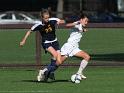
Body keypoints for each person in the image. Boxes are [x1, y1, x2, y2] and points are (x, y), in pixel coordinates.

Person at [38, 13, 90, 82]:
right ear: (81, 20)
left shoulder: (81, 26)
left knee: (87, 57)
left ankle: (79, 73)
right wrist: (77, 23)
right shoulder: (77, 24)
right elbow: (67, 25)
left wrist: (83, 30)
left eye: (87, 21)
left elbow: (79, 31)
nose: (86, 23)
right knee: (58, 63)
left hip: (75, 48)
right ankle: (45, 71)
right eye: (85, 21)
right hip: (68, 47)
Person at [19, 9, 65, 81]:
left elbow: (62, 21)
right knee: (55, 55)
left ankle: (46, 72)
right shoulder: (39, 25)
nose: (47, 19)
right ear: (42, 18)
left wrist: (60, 22)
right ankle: (45, 72)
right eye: (46, 18)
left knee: (59, 61)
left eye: (48, 17)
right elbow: (29, 31)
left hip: (55, 42)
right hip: (46, 43)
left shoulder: (52, 20)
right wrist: (23, 40)